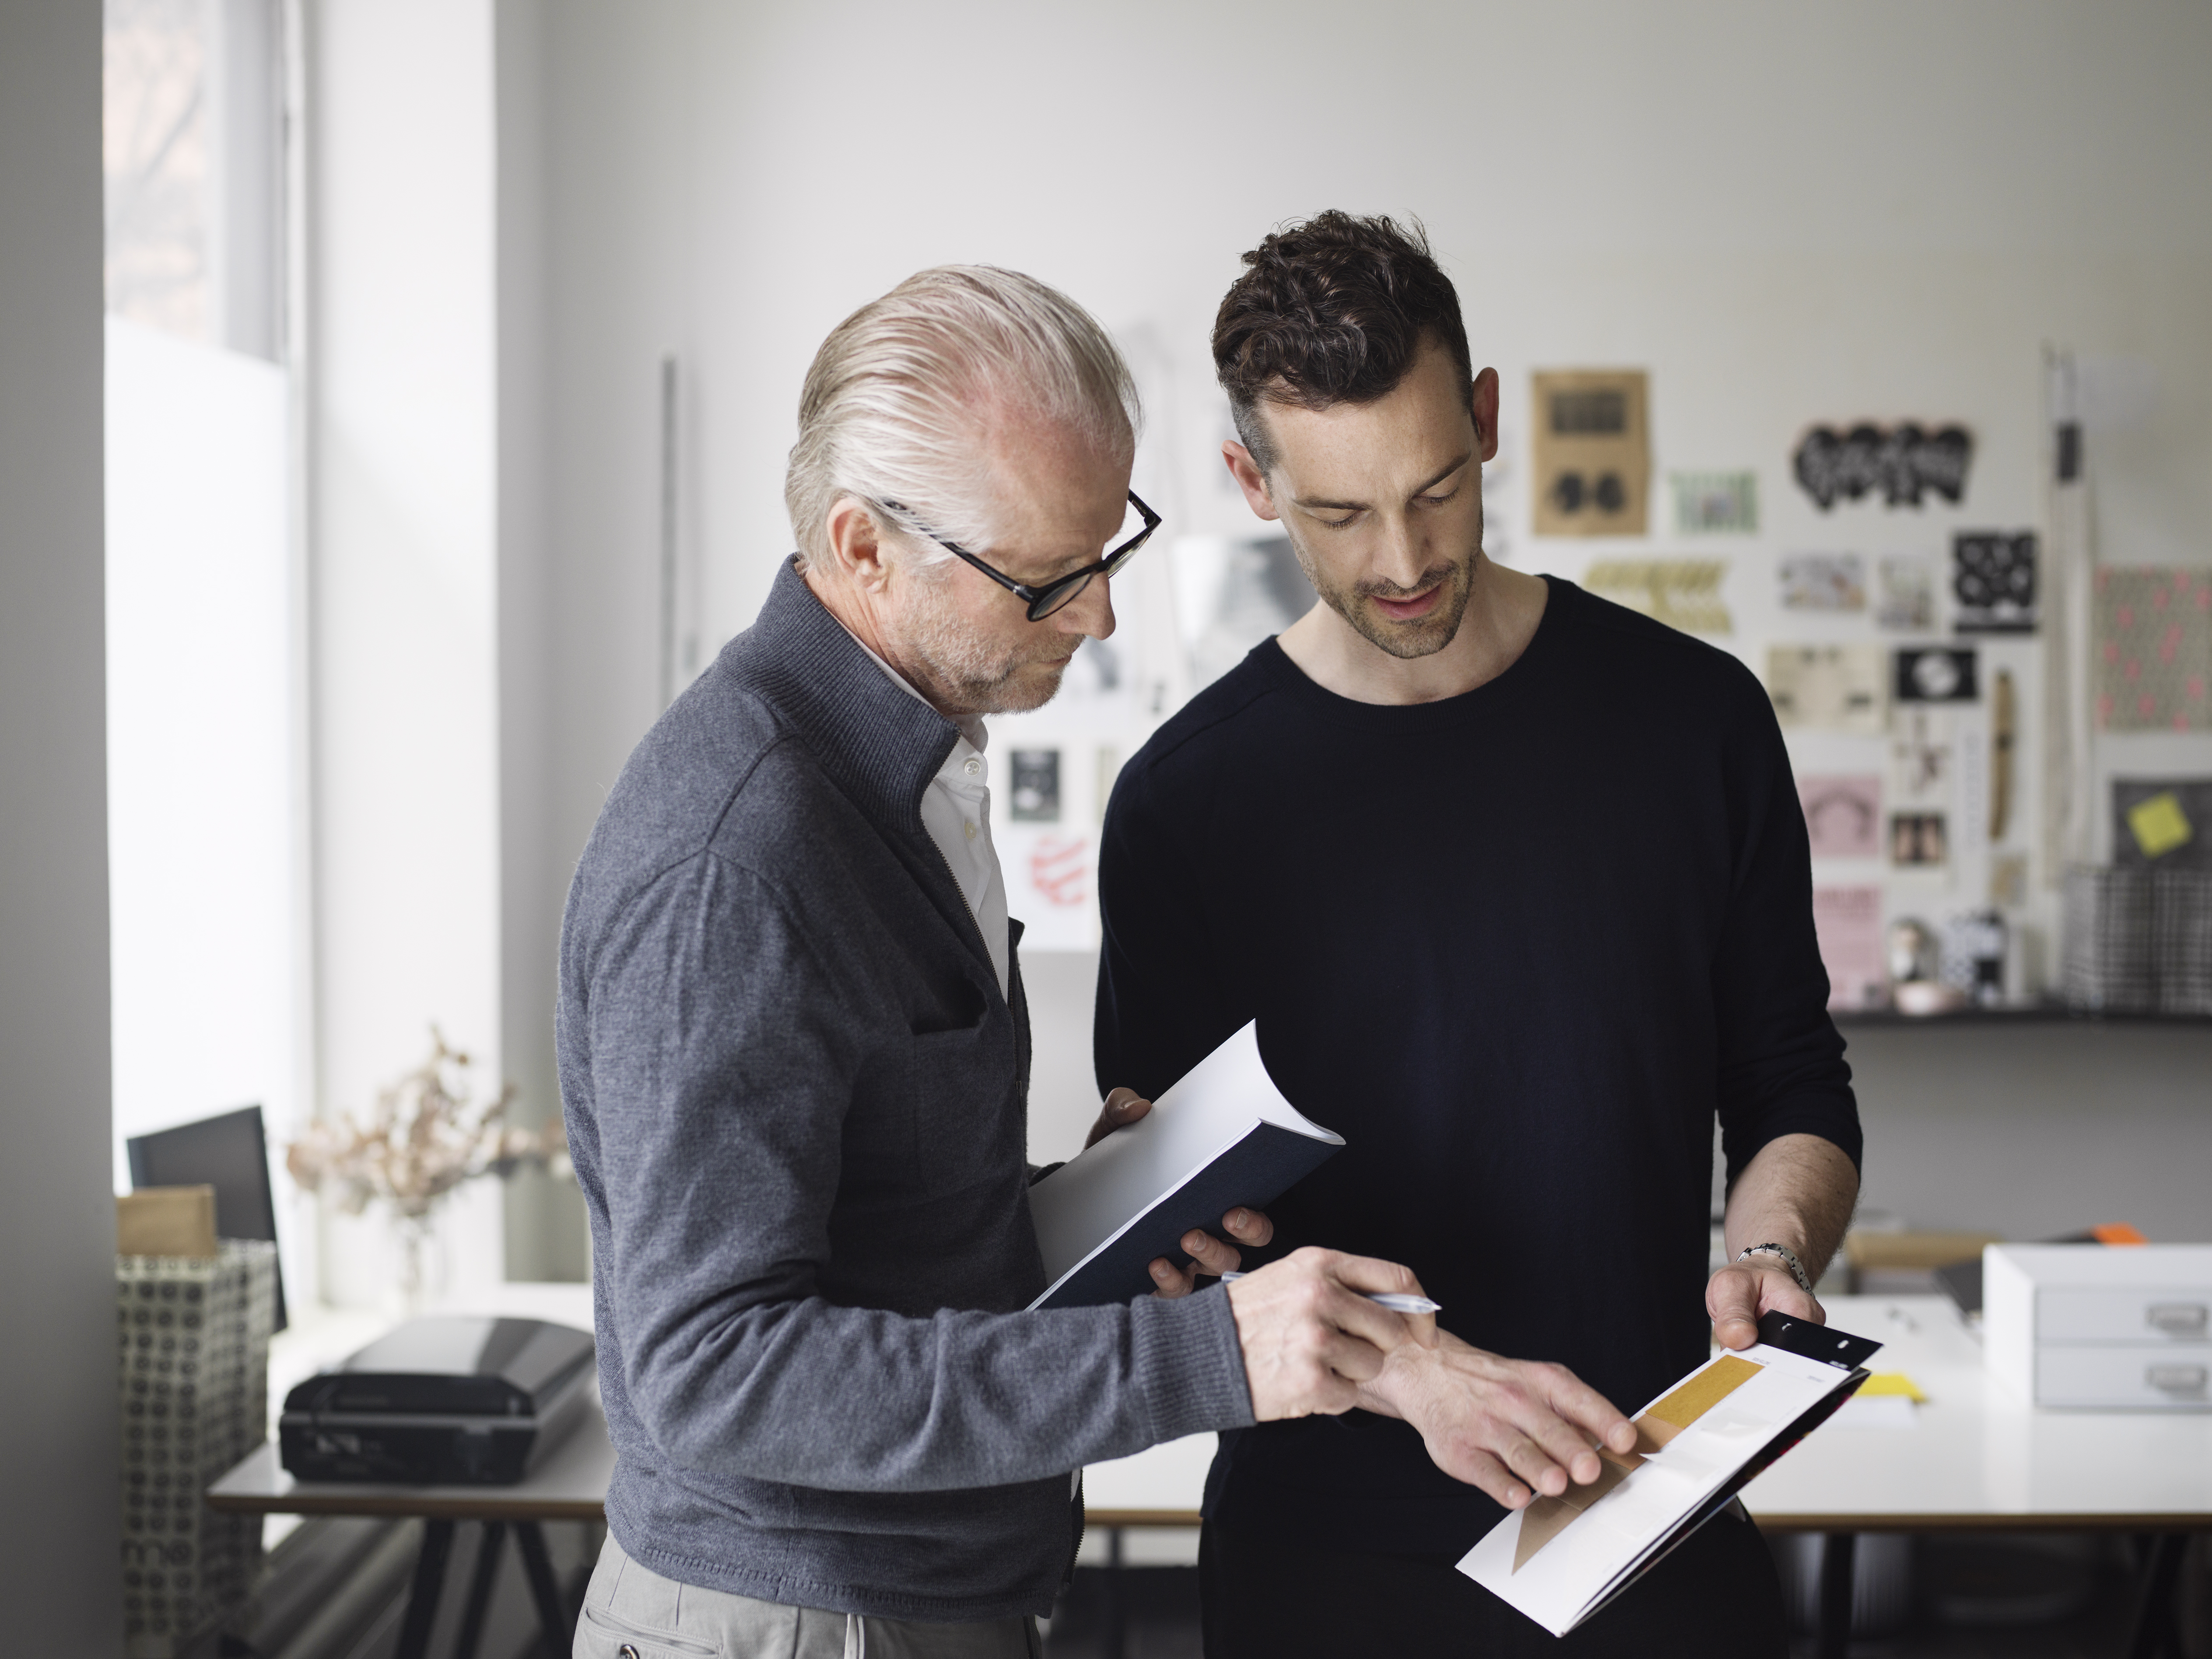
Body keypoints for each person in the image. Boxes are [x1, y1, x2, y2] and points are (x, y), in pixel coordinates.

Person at [557, 265, 1436, 1659]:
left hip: (914, 1597)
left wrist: (1090, 1210)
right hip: (798, 1620)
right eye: (1047, 579)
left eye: (1110, 551)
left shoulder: (904, 769)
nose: (1093, 619)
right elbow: (712, 1371)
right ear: (862, 551)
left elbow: (861, 1221)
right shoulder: (741, 857)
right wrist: (1215, 1358)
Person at [1093, 213, 1864, 1657]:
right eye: (1339, 514)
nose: (1404, 559)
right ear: (1250, 482)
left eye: (1438, 488)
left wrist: (1770, 1248)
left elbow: (1793, 1087)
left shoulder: (1694, 726)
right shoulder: (1184, 806)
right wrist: (1414, 1374)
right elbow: (1191, 1244)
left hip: (1650, 1518)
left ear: (1490, 419)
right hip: (1321, 1565)